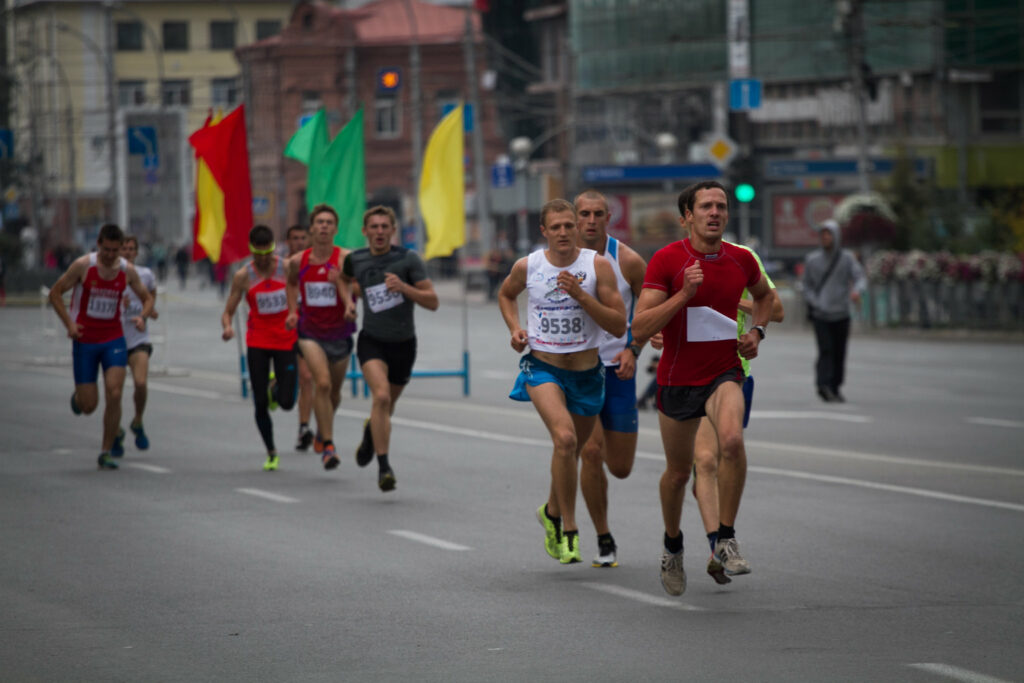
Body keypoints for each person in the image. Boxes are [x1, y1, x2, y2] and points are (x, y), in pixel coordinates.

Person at [632, 181, 773, 596]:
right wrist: (684, 295)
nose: (715, 212)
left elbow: (766, 298)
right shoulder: (667, 260)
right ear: (687, 217)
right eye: (706, 206)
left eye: (721, 206)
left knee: (732, 442)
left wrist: (758, 332)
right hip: (677, 379)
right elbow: (639, 327)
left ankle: (725, 538)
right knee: (678, 474)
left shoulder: (741, 259)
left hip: (723, 372)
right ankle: (672, 545)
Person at [498, 198, 626, 565]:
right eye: (556, 227)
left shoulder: (597, 266)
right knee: (565, 439)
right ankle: (569, 528)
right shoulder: (529, 266)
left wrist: (581, 295)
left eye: (569, 225)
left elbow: (618, 324)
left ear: (577, 227)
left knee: (569, 451)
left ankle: (551, 511)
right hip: (543, 368)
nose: (564, 232)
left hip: (587, 374)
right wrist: (515, 328)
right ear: (544, 231)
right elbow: (506, 294)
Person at [573, 189, 648, 568]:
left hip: (618, 370)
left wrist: (633, 349)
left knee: (620, 467)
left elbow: (650, 311)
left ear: (608, 217)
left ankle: (557, 500)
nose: (590, 220)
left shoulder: (629, 261)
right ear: (574, 217)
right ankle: (603, 537)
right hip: (577, 370)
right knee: (590, 452)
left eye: (597, 214)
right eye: (584, 214)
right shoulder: (558, 260)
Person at [343, 206, 438, 492]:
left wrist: (405, 288)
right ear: (365, 231)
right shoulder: (355, 259)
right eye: (374, 227)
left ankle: (371, 432)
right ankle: (384, 467)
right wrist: (348, 303)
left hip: (404, 344)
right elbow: (344, 280)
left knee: (387, 406)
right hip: (372, 340)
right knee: (381, 396)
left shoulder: (407, 259)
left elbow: (432, 301)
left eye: (385, 227)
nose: (380, 232)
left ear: (393, 230)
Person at [48, 223, 154, 470]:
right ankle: (79, 398)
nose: (110, 255)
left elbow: (147, 298)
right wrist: (69, 324)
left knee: (115, 393)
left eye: (115, 251)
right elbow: (55, 293)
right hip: (85, 340)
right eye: (106, 250)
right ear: (98, 244)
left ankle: (106, 450)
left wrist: (142, 317)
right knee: (89, 406)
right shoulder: (83, 266)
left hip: (113, 339)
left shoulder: (126, 270)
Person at [222, 225, 299, 471]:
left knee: (287, 403)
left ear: (273, 248)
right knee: (259, 402)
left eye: (268, 253)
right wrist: (227, 327)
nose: (264, 258)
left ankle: (275, 386)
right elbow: (228, 311)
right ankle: (271, 451)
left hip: (286, 339)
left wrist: (296, 314)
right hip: (258, 341)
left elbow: (300, 294)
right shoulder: (243, 276)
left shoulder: (286, 268)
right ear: (251, 250)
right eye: (259, 254)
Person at [285, 205, 357, 470]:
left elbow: (359, 286)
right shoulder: (297, 261)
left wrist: (345, 293)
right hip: (310, 332)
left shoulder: (346, 259)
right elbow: (291, 283)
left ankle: (321, 430)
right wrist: (292, 312)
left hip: (340, 332)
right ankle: (329, 445)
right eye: (320, 222)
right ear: (312, 229)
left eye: (329, 222)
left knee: (334, 393)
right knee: (322, 384)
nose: (324, 226)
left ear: (335, 229)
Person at [801, 219, 866, 403]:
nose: (825, 238)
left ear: (836, 237)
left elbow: (860, 277)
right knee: (825, 350)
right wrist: (815, 302)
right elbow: (806, 286)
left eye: (829, 234)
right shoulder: (812, 260)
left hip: (841, 313)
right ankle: (823, 385)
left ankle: (835, 386)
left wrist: (856, 291)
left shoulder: (847, 259)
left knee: (839, 352)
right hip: (821, 314)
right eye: (823, 234)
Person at [118, 234, 159, 453]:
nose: (127, 252)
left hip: (138, 338)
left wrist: (147, 313)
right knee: (114, 392)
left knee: (141, 383)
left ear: (136, 252)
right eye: (124, 248)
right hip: (114, 339)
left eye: (131, 249)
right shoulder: (109, 274)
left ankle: (137, 420)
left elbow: (150, 298)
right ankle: (115, 431)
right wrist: (119, 303)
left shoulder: (146, 275)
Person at [285, 224, 315, 451]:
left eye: (303, 238)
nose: (299, 242)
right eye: (295, 238)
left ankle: (303, 428)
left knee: (306, 377)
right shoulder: (280, 267)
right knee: (286, 387)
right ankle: (276, 384)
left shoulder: (312, 265)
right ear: (288, 242)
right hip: (280, 331)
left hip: (306, 328)